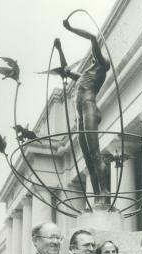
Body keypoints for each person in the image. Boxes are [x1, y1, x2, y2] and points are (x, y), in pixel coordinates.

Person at [53, 17, 110, 198]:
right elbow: (66, 70)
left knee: (95, 153)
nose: (94, 55)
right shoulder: (85, 74)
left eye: (97, 55)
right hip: (80, 115)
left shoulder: (101, 66)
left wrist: (70, 28)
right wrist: (60, 49)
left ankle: (105, 193)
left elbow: (93, 38)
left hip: (89, 108)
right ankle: (97, 197)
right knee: (87, 159)